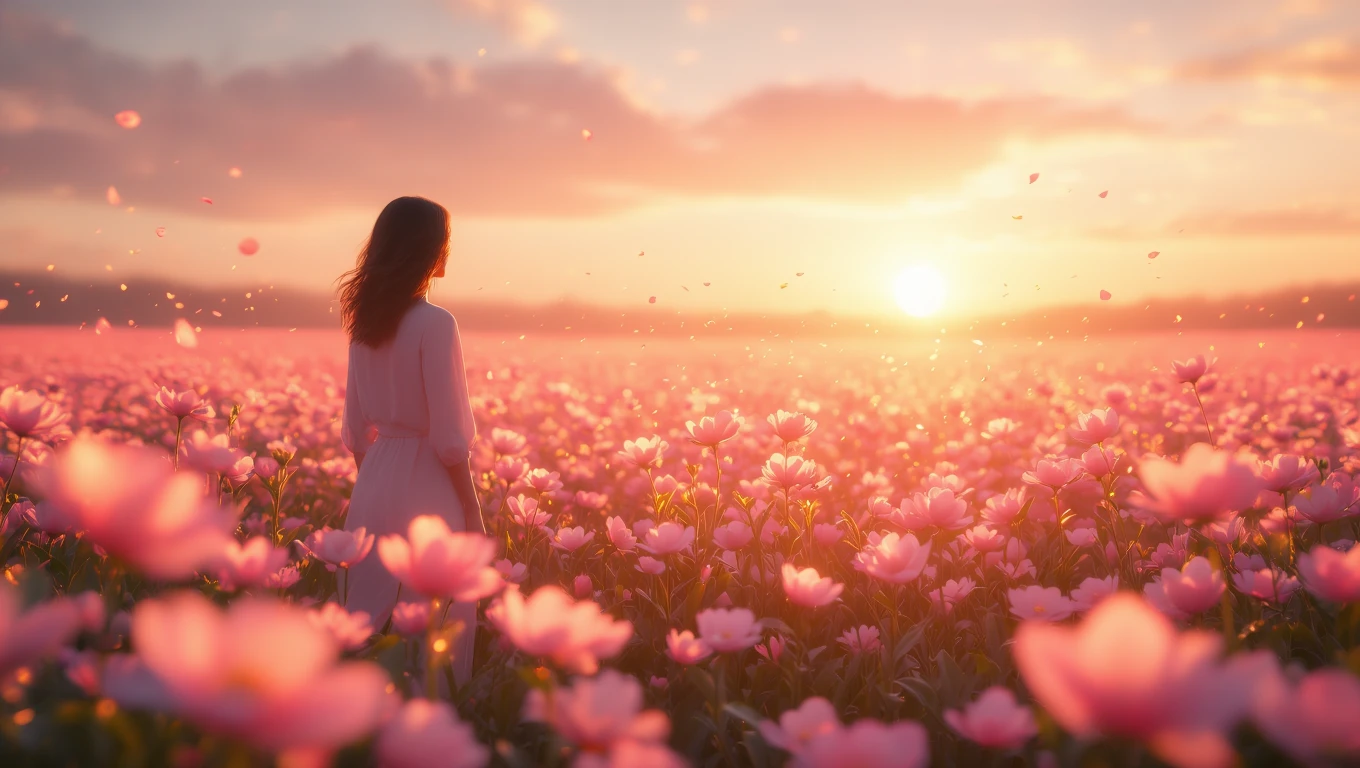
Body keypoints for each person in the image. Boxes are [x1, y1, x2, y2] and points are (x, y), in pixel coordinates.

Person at [337, 196, 484, 685]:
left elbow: (356, 430)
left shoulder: (363, 324)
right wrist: (471, 506)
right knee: (434, 624)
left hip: (374, 478)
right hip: (429, 483)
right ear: (430, 251)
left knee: (365, 621)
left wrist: (377, 480)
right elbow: (448, 436)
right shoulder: (436, 324)